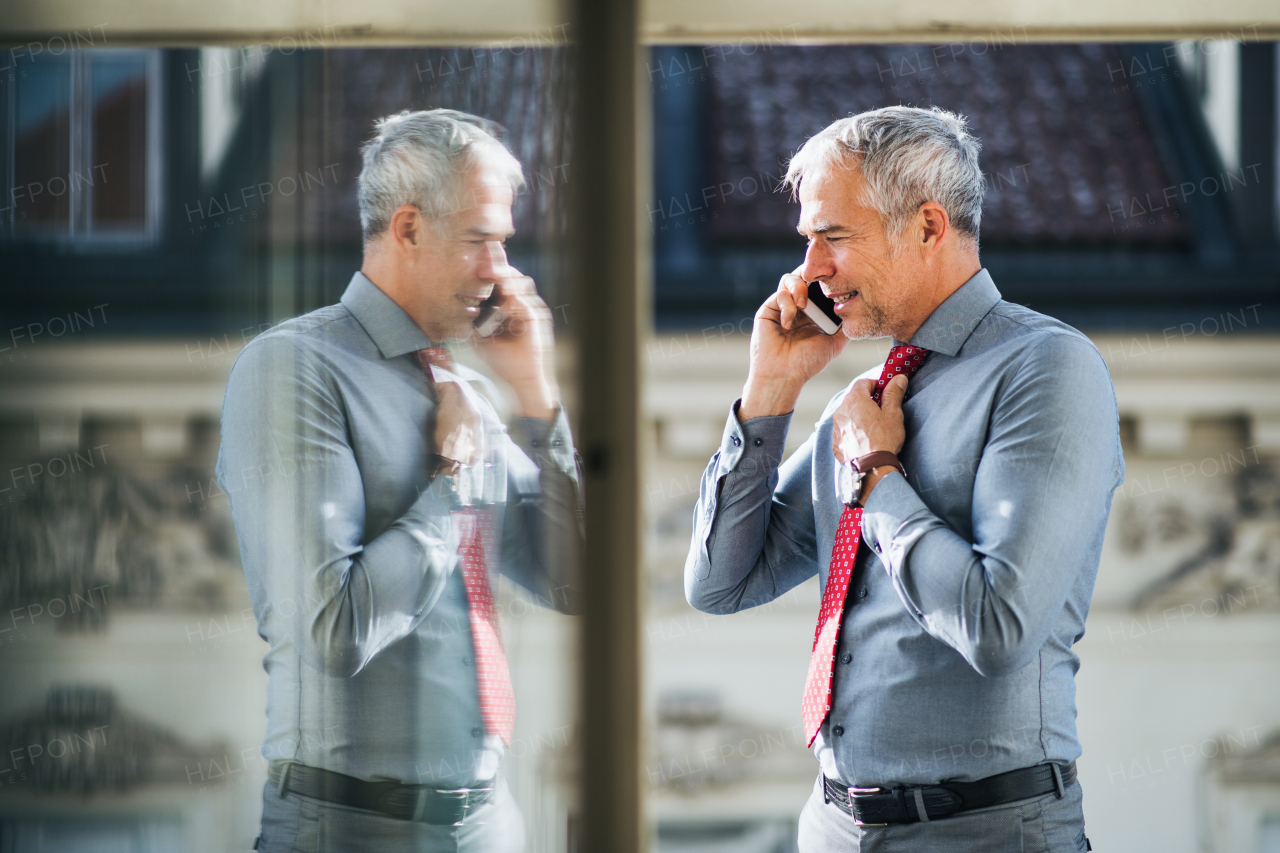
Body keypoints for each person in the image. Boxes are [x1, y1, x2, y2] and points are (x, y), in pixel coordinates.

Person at [684, 106, 1122, 851]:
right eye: (808, 241)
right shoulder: (861, 405)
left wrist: (876, 476)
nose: (809, 269)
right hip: (830, 828)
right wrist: (771, 392)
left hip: (985, 833)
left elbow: (998, 625)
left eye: (834, 237)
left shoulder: (1046, 368)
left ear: (926, 226)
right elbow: (719, 583)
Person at [217, 109, 581, 853]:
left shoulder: (466, 397)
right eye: (482, 239)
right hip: (349, 827)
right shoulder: (293, 369)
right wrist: (452, 482)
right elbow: (333, 631)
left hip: (489, 823)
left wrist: (539, 402)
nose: (502, 271)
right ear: (408, 228)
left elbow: (579, 582)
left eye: (503, 243)